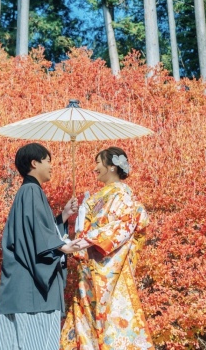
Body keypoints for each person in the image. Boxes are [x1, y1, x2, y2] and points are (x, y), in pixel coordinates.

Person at [0, 142, 81, 350]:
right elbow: (39, 235)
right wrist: (63, 247)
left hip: (17, 291)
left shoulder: (26, 192)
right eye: (48, 161)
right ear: (34, 163)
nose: (51, 166)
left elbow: (32, 233)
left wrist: (64, 216)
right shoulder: (31, 191)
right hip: (33, 294)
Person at [61, 147, 154, 350]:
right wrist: (80, 216)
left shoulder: (122, 195)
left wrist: (85, 241)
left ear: (111, 166)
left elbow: (122, 225)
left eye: (98, 162)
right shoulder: (100, 196)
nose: (94, 167)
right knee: (88, 319)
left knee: (111, 318)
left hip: (108, 268)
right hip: (89, 267)